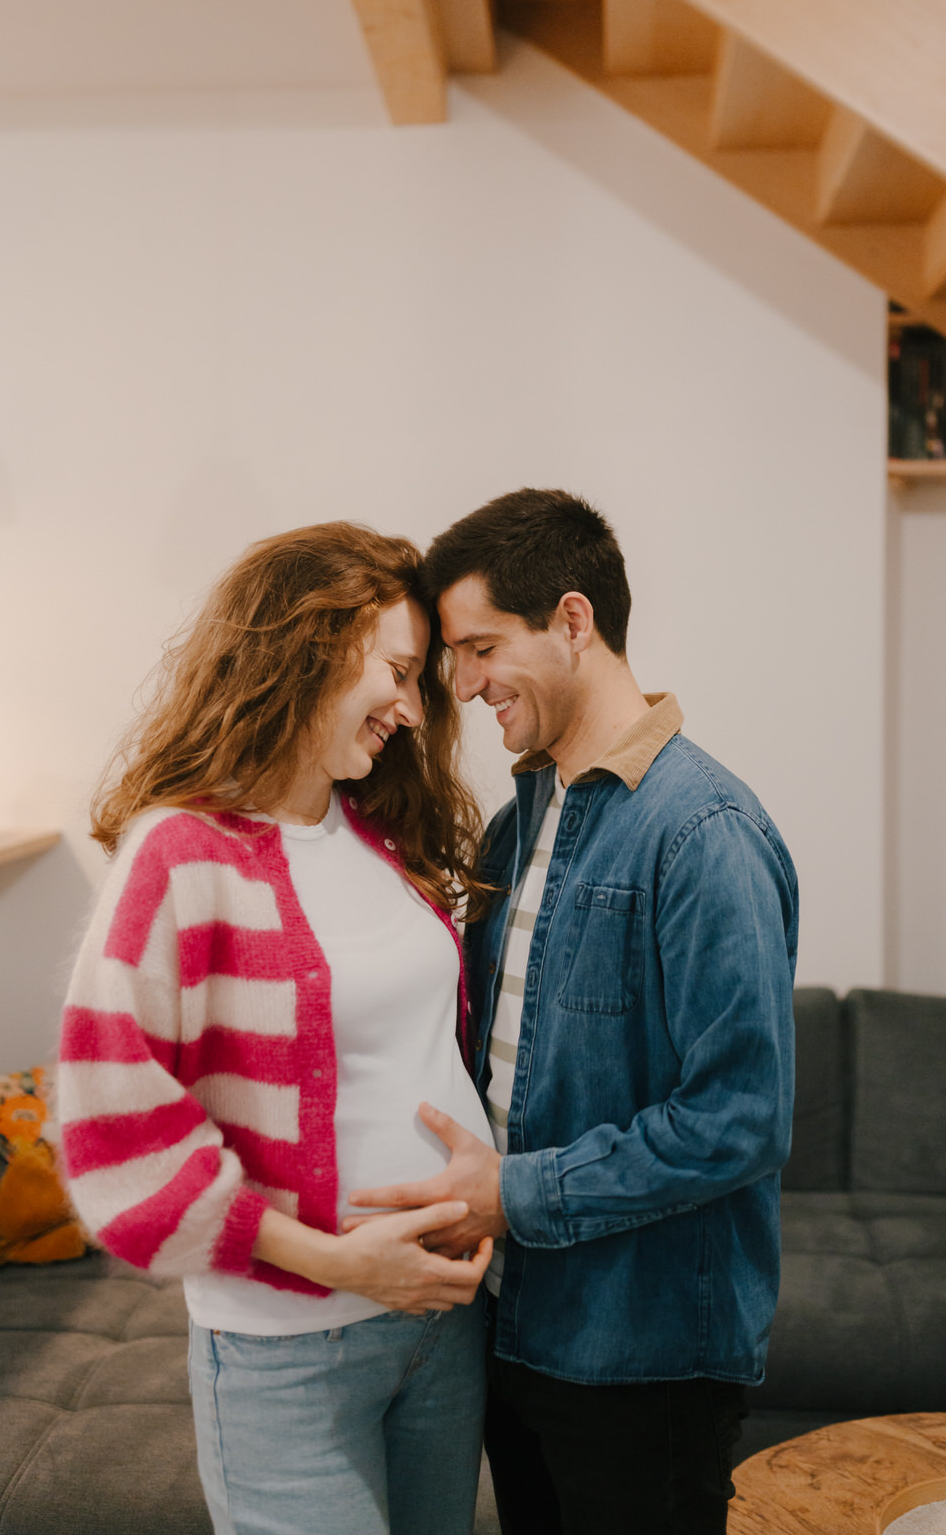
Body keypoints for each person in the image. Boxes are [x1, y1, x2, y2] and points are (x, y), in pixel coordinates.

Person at [347, 489, 798, 1534]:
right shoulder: (519, 826)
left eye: (478, 647)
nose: (461, 684)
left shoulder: (705, 834)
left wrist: (514, 1193)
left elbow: (739, 1119)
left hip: (642, 1358)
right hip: (516, 1328)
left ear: (572, 621)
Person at [56, 522, 496, 1535]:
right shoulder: (181, 853)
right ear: (306, 650)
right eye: (395, 670)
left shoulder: (381, 837)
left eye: (417, 679)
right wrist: (345, 1263)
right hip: (289, 1351)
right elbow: (113, 1139)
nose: (407, 707)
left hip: (439, 1328)